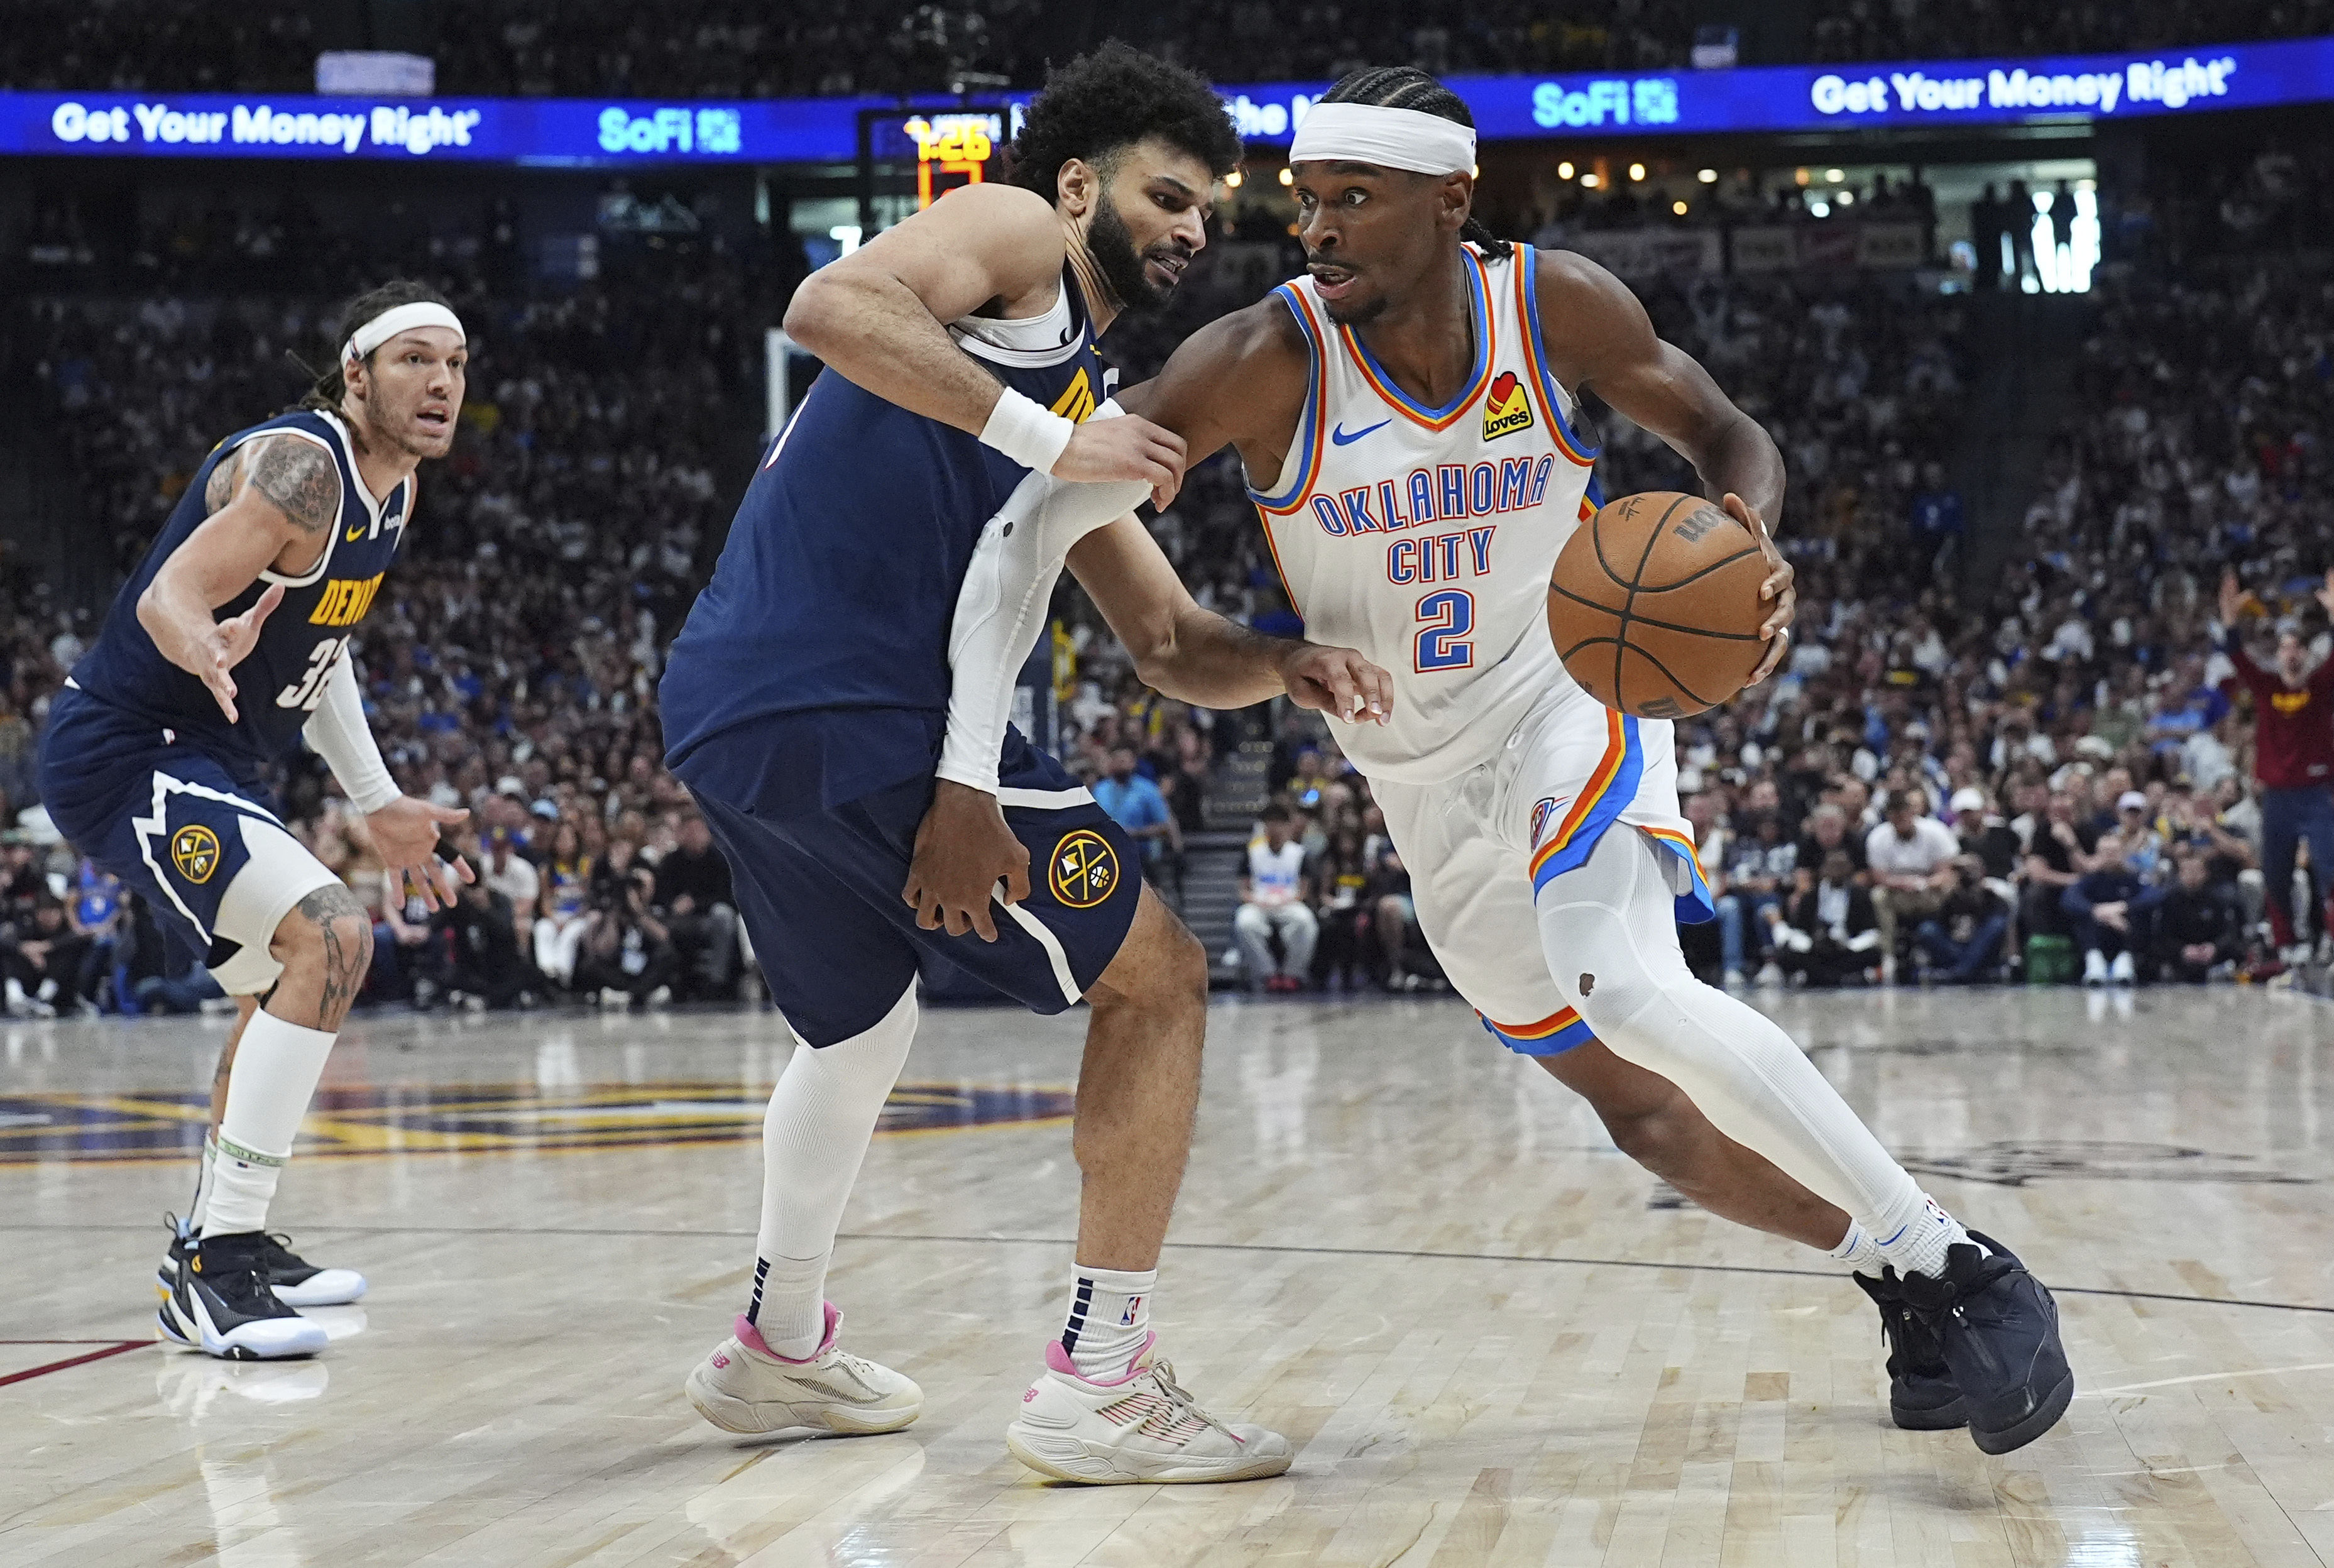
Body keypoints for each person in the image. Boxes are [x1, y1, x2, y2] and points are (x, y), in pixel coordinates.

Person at [914, 66, 2072, 1456]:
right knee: (1644, 1116)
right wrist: (974, 759)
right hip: (1418, 785)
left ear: (1451, 201)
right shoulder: (1258, 361)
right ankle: (1889, 1269)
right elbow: (1034, 528)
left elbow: (1724, 434)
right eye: (1306, 200)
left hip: (1573, 694)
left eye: (1354, 198)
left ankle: (1959, 1263)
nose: (1319, 229)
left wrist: (1750, 530)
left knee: (1629, 979)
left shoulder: (1555, 305)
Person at [657, 45, 1383, 1483]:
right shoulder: (1012, 239)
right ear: (1074, 185)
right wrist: (963, 784)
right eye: (1164, 194)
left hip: (730, 710)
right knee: (1158, 978)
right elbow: (827, 302)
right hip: (851, 698)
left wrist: (1284, 665)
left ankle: (775, 1349)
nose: (1189, 228)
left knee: (858, 1026)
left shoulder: (1073, 401)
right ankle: (1098, 1384)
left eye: (1207, 210)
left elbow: (1168, 639)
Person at [34, 281, 474, 1359]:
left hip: (212, 757)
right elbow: (167, 594)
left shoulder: (395, 492)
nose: (442, 385)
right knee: (327, 934)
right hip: (128, 749)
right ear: (356, 372)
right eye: (415, 360)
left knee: (291, 975)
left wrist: (379, 804)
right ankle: (213, 1270)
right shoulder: (303, 467)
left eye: (457, 365)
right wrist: (195, 632)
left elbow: (324, 658)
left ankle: (223, 1234)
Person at [2218, 569, 2334, 960]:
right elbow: (2237, 656)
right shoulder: (2267, 688)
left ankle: (2330, 941)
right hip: (2277, 798)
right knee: (2276, 874)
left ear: (2306, 654)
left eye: (2297, 647)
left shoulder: (2319, 687)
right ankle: (2285, 947)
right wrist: (2231, 621)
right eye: (2284, 647)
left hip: (2315, 794)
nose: (2290, 652)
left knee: (2330, 870)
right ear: (2278, 654)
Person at [1866, 788, 1961, 975]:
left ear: (1912, 812)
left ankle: (1951, 943)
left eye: (1903, 812)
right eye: (1894, 813)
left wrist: (1924, 884)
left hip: (1930, 890)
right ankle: (1888, 953)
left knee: (1952, 887)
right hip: (1898, 892)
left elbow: (1947, 871)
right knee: (1878, 896)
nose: (1900, 818)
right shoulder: (1878, 838)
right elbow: (1879, 877)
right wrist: (1905, 883)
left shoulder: (1935, 831)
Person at [1235, 803, 1317, 992]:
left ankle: (1293, 973)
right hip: (1259, 902)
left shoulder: (1299, 854)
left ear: (1288, 826)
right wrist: (1256, 900)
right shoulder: (1252, 852)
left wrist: (1288, 900)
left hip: (1290, 902)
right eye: (1270, 823)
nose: (1275, 828)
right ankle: (1267, 973)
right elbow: (1243, 890)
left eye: (1279, 823)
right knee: (1244, 922)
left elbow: (1304, 890)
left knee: (1306, 921)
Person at [2150, 847, 2243, 982]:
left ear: (2205, 873)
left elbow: (2229, 932)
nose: (2192, 876)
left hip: (2212, 954)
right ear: (2179, 874)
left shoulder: (2217, 900)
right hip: (2180, 956)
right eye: (2187, 872)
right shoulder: (2169, 901)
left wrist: (2214, 948)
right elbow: (2161, 936)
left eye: (2196, 871)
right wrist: (2183, 950)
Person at [1092, 743, 1177, 885]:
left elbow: (1164, 826)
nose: (1122, 765)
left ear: (1134, 763)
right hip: (1105, 853)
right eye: (1119, 761)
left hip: (1140, 853)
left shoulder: (1148, 789)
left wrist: (1135, 832)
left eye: (1126, 761)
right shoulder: (1100, 790)